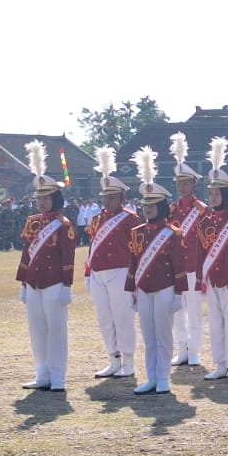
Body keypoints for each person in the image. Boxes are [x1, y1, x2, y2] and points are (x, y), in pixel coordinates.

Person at [124, 147, 187, 395]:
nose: (147, 208)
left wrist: (179, 294)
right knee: (149, 337)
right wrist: (131, 290)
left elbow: (179, 265)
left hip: (165, 289)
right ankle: (151, 377)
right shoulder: (136, 231)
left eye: (152, 204)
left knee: (163, 336)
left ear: (162, 206)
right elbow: (133, 262)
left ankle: (163, 377)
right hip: (143, 289)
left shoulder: (172, 232)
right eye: (145, 203)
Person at [16, 141, 77, 392]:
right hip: (33, 283)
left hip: (54, 283)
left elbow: (67, 256)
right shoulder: (32, 221)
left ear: (55, 198)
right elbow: (26, 253)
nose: (41, 202)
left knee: (56, 330)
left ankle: (58, 376)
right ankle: (42, 373)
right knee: (37, 331)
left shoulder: (63, 224)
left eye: (46, 198)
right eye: (38, 198)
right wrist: (22, 282)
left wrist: (67, 285)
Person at [85, 147, 140, 379]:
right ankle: (113, 359)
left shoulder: (131, 219)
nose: (108, 200)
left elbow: (138, 250)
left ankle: (128, 361)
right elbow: (91, 247)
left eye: (112, 197)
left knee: (122, 316)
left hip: (121, 271)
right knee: (104, 318)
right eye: (105, 197)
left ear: (121, 198)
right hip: (98, 273)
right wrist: (88, 273)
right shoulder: (97, 219)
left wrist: (135, 277)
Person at [196, 137, 228, 382]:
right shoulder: (204, 222)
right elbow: (201, 253)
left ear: (226, 195)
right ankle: (220, 364)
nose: (213, 197)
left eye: (217, 193)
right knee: (215, 323)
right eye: (210, 193)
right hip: (211, 279)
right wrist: (200, 279)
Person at [167, 133, 208, 369]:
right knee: (177, 311)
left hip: (193, 265)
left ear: (194, 184)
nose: (182, 187)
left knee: (193, 311)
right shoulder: (172, 210)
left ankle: (194, 351)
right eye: (179, 183)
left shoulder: (201, 210)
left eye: (186, 183)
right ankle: (182, 348)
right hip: (175, 267)